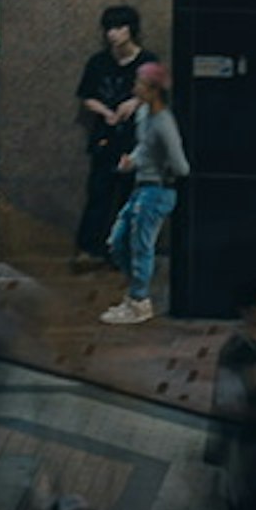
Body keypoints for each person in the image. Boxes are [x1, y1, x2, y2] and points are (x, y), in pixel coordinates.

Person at [100, 59, 189, 323]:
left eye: (140, 83)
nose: (135, 86)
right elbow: (144, 148)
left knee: (141, 246)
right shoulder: (143, 114)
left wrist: (162, 171)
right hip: (142, 188)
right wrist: (134, 161)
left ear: (153, 90)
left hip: (157, 191)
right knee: (118, 242)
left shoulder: (164, 123)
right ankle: (136, 293)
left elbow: (181, 165)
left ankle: (139, 301)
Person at [72, 7, 146, 273]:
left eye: (119, 28)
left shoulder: (146, 62)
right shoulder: (98, 62)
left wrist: (135, 102)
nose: (113, 34)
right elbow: (86, 95)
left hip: (136, 141)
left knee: (131, 198)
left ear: (131, 29)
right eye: (109, 29)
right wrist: (105, 111)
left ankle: (124, 251)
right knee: (99, 195)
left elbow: (159, 94)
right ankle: (91, 249)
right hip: (104, 138)